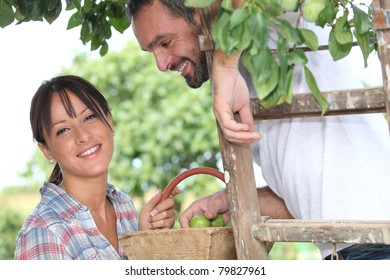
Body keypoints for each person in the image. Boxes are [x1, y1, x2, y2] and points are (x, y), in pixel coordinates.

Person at [127, 0, 390, 260]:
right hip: (345, 249)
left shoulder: (275, 21)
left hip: (376, 243)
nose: (161, 64)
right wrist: (228, 199)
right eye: (151, 51)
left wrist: (224, 65)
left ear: (199, 10)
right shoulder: (241, 74)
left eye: (165, 42)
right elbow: (305, 202)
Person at [14, 74, 178, 260]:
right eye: (63, 130)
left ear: (109, 121)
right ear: (47, 151)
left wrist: (146, 241)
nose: (83, 135)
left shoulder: (123, 206)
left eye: (89, 117)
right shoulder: (44, 232)